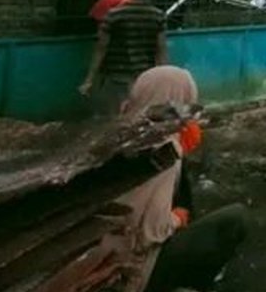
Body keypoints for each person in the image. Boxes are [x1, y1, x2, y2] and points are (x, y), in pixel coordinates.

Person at [44, 66, 248, 292]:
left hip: (95, 253)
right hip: (131, 267)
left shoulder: (119, 130)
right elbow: (152, 231)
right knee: (234, 219)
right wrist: (176, 219)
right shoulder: (161, 147)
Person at [80, 0, 170, 116]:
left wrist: (89, 79)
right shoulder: (158, 16)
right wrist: (164, 80)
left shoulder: (114, 15)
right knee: (138, 121)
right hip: (145, 79)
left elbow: (101, 48)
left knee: (114, 122)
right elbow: (160, 50)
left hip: (117, 80)